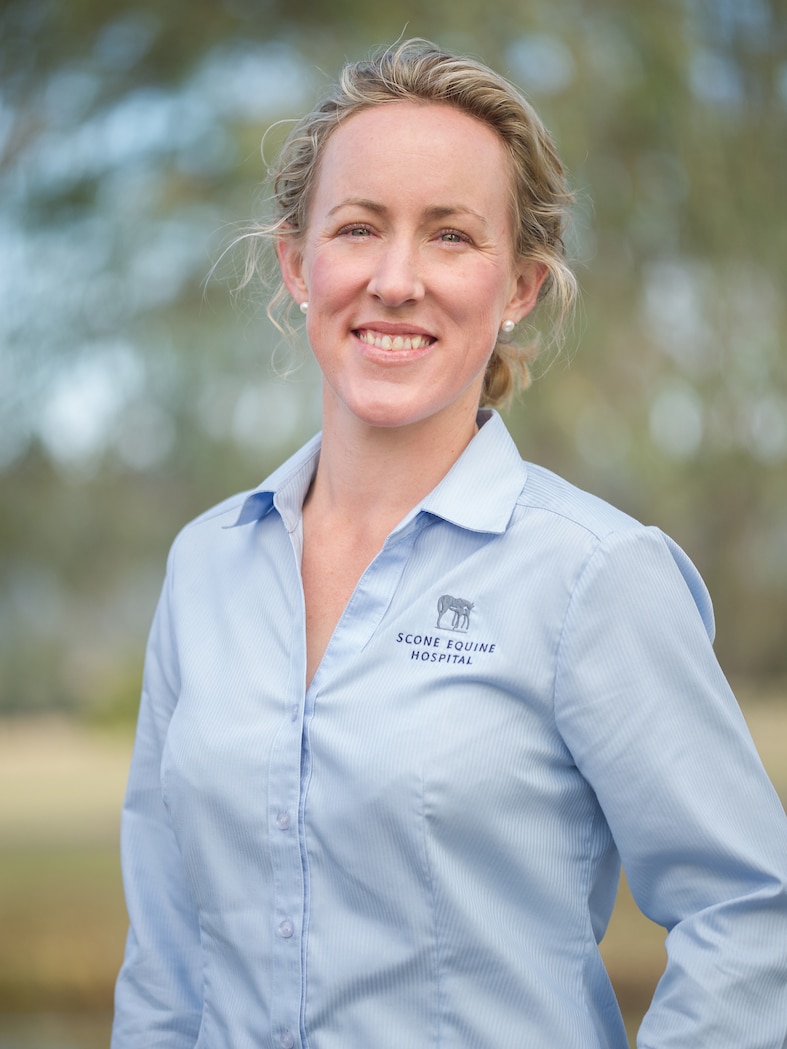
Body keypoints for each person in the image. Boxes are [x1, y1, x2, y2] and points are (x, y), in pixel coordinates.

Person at [111, 38, 787, 1049]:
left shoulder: (595, 577)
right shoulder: (204, 564)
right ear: (299, 264)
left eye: (450, 237)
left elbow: (748, 916)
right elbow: (166, 958)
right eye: (357, 227)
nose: (395, 279)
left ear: (517, 286)